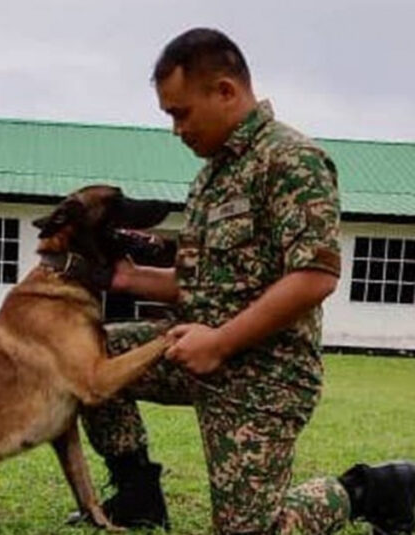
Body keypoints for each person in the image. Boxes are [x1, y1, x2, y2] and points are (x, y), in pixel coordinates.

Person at [81, 27, 415, 534]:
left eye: (180, 113)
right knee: (88, 362)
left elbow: (314, 276)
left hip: (265, 374)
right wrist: (132, 279)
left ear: (225, 91)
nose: (176, 129)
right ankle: (139, 498)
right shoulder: (211, 177)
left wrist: (219, 342)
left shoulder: (291, 161)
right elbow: (201, 283)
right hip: (194, 349)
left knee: (251, 530)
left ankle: (369, 490)